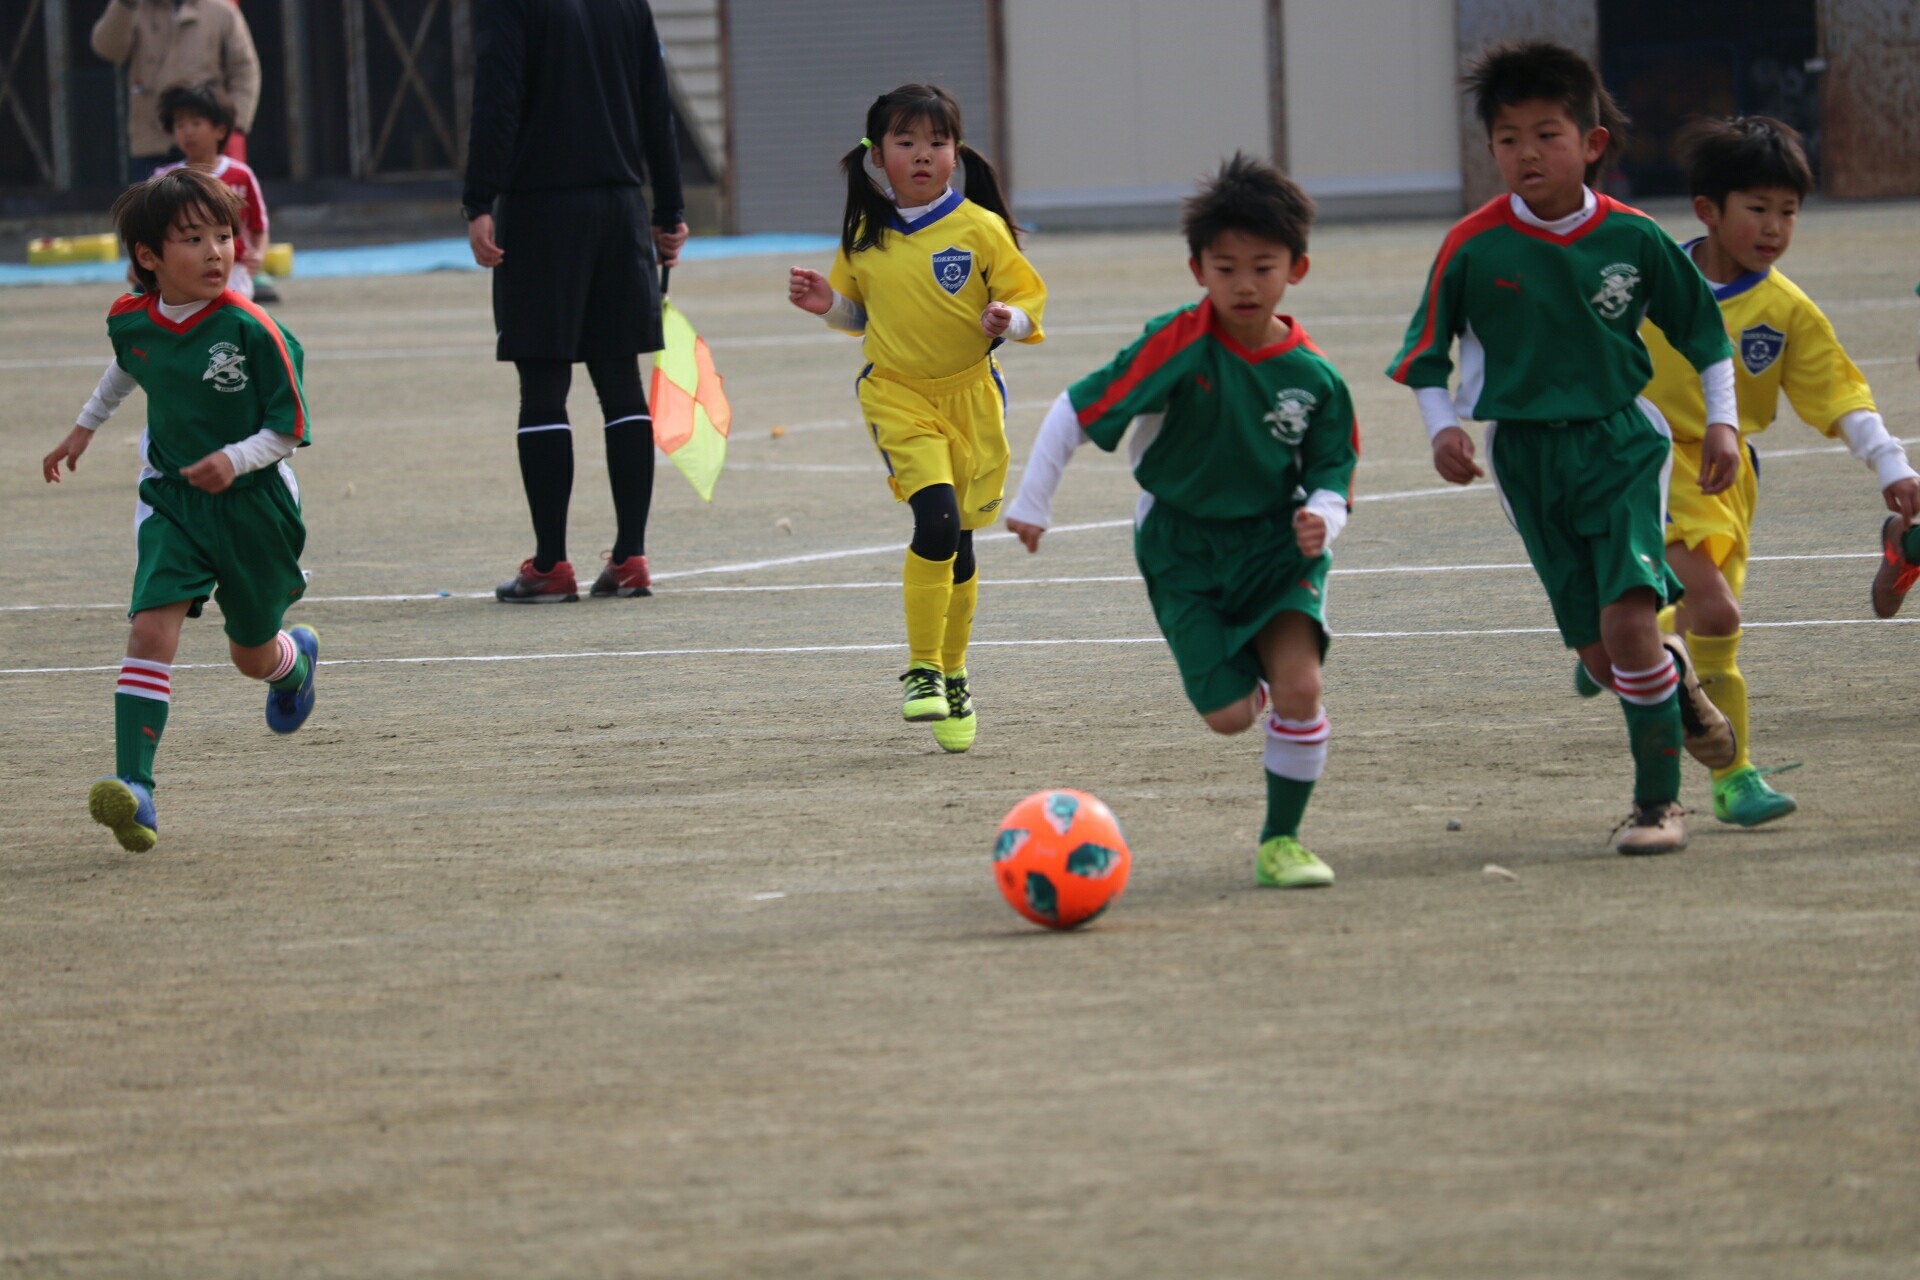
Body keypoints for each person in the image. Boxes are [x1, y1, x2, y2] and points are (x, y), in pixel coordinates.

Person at [1387, 40, 1740, 856]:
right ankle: (1672, 673)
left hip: (1620, 444)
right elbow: (1424, 352)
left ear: (1592, 144)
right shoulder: (1472, 245)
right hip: (1524, 460)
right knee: (1606, 654)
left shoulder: (1635, 238)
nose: (1526, 153)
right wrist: (1442, 424)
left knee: (1626, 625)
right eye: (1507, 138)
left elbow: (1704, 333)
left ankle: (1659, 806)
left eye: (1546, 134)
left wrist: (1720, 420)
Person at [1004, 154, 1355, 888]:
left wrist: (1323, 516)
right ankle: (1250, 688)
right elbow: (1076, 408)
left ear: (1298, 268)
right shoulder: (1179, 343)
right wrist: (1032, 503)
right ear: (1198, 271)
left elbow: (1333, 467)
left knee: (1303, 686)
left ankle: (1280, 843)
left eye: (1263, 266)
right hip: (1181, 545)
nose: (1245, 285)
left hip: (1274, 545)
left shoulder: (1314, 377)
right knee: (1229, 716)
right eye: (1225, 268)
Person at [1625, 116, 1920, 826]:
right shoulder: (1648, 284)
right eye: (1757, 209)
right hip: (1644, 463)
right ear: (1708, 211)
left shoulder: (1786, 310)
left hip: (1729, 478)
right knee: (1721, 612)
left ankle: (1629, 637)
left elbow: (1840, 392)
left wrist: (1891, 463)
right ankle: (1734, 777)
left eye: (1788, 211)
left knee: (1698, 617)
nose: (1774, 227)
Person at [39, 168, 317, 854]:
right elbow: (130, 365)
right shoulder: (132, 319)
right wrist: (84, 426)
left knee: (249, 654)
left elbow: (287, 429)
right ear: (149, 257)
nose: (219, 251)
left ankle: (293, 662)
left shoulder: (256, 330)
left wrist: (235, 460)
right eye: (195, 239)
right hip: (172, 498)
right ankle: (135, 789)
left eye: (225, 234)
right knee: (150, 633)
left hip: (255, 504)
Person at [788, 84, 1047, 752]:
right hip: (897, 396)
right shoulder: (865, 236)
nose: (923, 155)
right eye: (907, 142)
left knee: (959, 542)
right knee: (932, 519)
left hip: (972, 400)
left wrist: (1007, 320)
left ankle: (955, 671)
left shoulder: (980, 230)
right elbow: (859, 316)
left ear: (955, 153)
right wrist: (826, 304)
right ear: (878, 157)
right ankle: (923, 669)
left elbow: (1027, 304)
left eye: (936, 142)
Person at [463, 0, 688, 603]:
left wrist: (479, 198)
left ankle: (551, 565)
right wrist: (669, 209)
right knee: (621, 384)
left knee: (542, 386)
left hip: (539, 209)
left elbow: (498, 95)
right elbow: (654, 105)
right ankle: (631, 556)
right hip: (619, 206)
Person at [91, 0, 261, 175]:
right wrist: (125, 5)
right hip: (152, 141)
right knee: (153, 201)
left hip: (207, 142)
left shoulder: (220, 11)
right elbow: (108, 49)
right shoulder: (137, 8)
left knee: (209, 200)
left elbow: (244, 70)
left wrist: (231, 123)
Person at [154, 83, 275, 302]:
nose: (187, 131)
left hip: (234, 273)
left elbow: (259, 225)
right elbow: (148, 228)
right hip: (183, 270)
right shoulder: (164, 179)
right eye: (180, 125)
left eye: (196, 123)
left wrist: (258, 255)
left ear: (220, 130)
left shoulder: (241, 175)